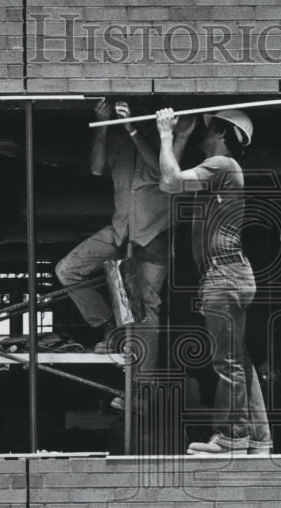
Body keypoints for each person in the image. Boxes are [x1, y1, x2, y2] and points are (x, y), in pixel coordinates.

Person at [156, 107, 272, 456]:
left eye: (208, 129)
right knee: (238, 359)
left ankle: (231, 438)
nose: (202, 134)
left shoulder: (223, 165)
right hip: (228, 273)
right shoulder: (220, 170)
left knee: (229, 362)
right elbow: (169, 182)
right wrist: (178, 137)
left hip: (223, 274)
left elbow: (171, 181)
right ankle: (259, 439)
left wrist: (165, 134)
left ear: (222, 132)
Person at [54, 98, 194, 364]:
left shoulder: (164, 139)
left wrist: (132, 129)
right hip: (120, 231)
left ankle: (140, 394)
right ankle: (108, 326)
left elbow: (158, 170)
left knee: (144, 314)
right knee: (66, 270)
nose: (133, 113)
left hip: (152, 238)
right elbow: (96, 168)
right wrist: (104, 125)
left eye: (139, 110)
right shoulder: (120, 140)